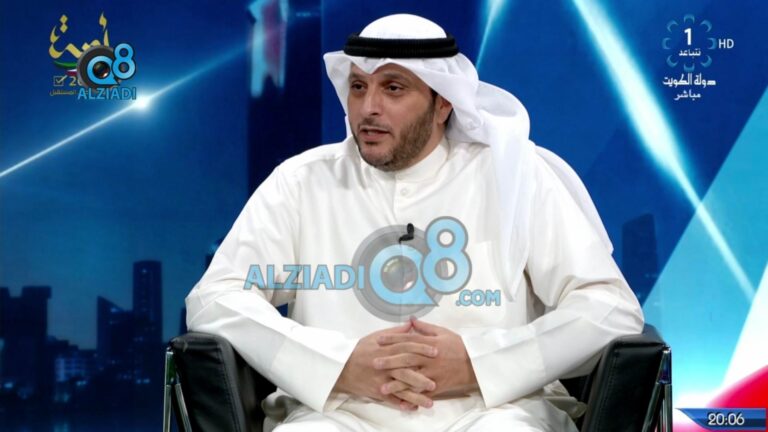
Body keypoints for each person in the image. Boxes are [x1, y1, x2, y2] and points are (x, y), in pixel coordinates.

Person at [185, 14, 644, 432]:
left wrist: (479, 364)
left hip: (490, 411)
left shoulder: (515, 175)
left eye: (393, 88)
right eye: (358, 87)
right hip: (338, 413)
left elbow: (610, 308)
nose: (368, 107)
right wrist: (337, 365)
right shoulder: (303, 181)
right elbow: (214, 298)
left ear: (443, 103)